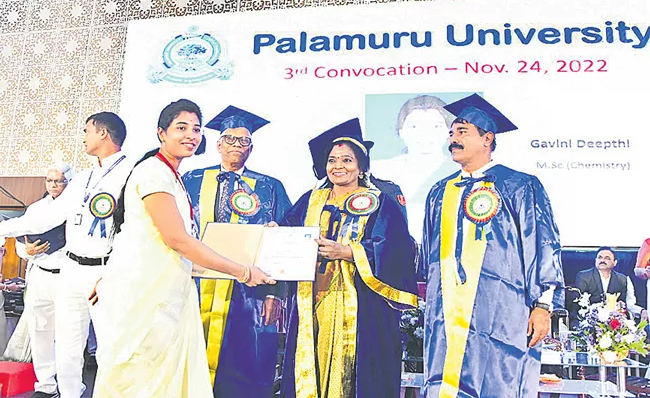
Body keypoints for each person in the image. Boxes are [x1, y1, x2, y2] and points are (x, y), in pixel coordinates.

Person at [91, 99, 273, 397]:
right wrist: (242, 270)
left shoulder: (172, 176)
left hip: (166, 289)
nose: (191, 135)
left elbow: (149, 237)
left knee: (161, 379)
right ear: (162, 133)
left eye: (196, 129)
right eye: (181, 127)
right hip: (146, 294)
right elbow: (177, 240)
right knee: (138, 378)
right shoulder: (154, 172)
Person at [419, 93, 565, 398]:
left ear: (487, 139)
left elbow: (542, 246)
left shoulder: (519, 185)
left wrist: (543, 305)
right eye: (451, 133)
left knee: (500, 382)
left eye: (462, 132)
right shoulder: (438, 192)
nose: (453, 139)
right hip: (446, 316)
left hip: (502, 314)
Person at [280, 118, 418, 398]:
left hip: (363, 305)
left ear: (362, 166)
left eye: (347, 160)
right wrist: (275, 234)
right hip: (314, 299)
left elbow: (399, 248)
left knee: (359, 372)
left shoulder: (380, 201)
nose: (338, 166)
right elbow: (288, 235)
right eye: (332, 160)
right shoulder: (310, 200)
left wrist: (349, 252)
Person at [0, 112, 133, 398]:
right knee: (69, 345)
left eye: (87, 130)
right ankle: (69, 393)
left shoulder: (131, 173)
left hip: (105, 270)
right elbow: (48, 217)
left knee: (109, 345)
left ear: (103, 134)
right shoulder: (84, 178)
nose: (83, 136)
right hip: (71, 269)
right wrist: (5, 229)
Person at [182, 105, 292, 397]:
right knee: (186, 359)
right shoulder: (191, 180)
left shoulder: (270, 187)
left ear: (251, 148)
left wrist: (274, 293)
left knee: (247, 365)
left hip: (249, 294)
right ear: (218, 144)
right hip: (193, 286)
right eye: (230, 139)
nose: (236, 145)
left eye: (243, 141)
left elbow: (285, 241)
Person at [12, 162, 74, 398]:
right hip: (40, 273)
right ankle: (46, 386)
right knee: (40, 329)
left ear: (69, 182)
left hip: (67, 275)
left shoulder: (76, 206)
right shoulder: (36, 208)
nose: (54, 185)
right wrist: (28, 250)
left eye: (59, 181)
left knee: (68, 332)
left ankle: (69, 386)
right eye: (49, 181)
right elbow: (20, 243)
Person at [372, 95, 458, 239]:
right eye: (414, 126)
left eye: (436, 126)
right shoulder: (379, 170)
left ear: (448, 133)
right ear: (401, 131)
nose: (425, 134)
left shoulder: (460, 171)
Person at [574, 246, 647, 320]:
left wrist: (642, 311)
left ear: (614, 263)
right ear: (595, 260)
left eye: (607, 258)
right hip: (588, 318)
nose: (602, 260)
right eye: (599, 257)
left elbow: (629, 304)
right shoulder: (583, 276)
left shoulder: (622, 279)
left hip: (614, 321)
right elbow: (578, 304)